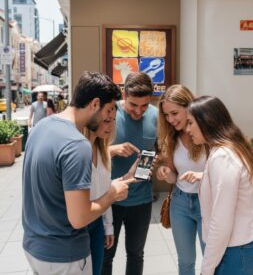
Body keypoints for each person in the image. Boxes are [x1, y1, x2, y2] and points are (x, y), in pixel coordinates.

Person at [22, 71, 136, 275]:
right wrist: (111, 194)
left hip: (34, 248)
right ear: (94, 104)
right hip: (65, 257)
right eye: (108, 110)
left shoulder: (40, 128)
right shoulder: (77, 145)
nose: (110, 117)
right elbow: (80, 218)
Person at [187, 96, 253, 275]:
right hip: (250, 244)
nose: (188, 129)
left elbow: (221, 223)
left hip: (237, 252)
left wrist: (206, 269)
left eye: (190, 123)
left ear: (206, 122)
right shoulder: (234, 146)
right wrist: (205, 177)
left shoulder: (222, 157)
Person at [102, 72, 157, 275]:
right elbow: (88, 152)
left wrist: (157, 163)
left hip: (141, 201)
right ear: (124, 94)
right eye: (134, 105)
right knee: (106, 256)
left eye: (144, 106)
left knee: (136, 255)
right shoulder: (108, 112)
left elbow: (157, 151)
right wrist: (112, 150)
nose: (139, 112)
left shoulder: (155, 115)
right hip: (109, 199)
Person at [156, 85, 206, 275]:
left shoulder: (207, 134)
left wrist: (203, 176)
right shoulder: (171, 138)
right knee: (185, 262)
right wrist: (166, 173)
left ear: (190, 106)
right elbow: (174, 176)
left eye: (175, 113)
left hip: (206, 201)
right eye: (167, 115)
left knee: (211, 259)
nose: (170, 119)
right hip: (180, 202)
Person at [83, 108, 116, 275]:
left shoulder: (104, 150)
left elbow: (106, 191)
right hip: (78, 225)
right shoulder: (77, 150)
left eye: (113, 121)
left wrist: (108, 226)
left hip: (97, 225)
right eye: (107, 121)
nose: (111, 126)